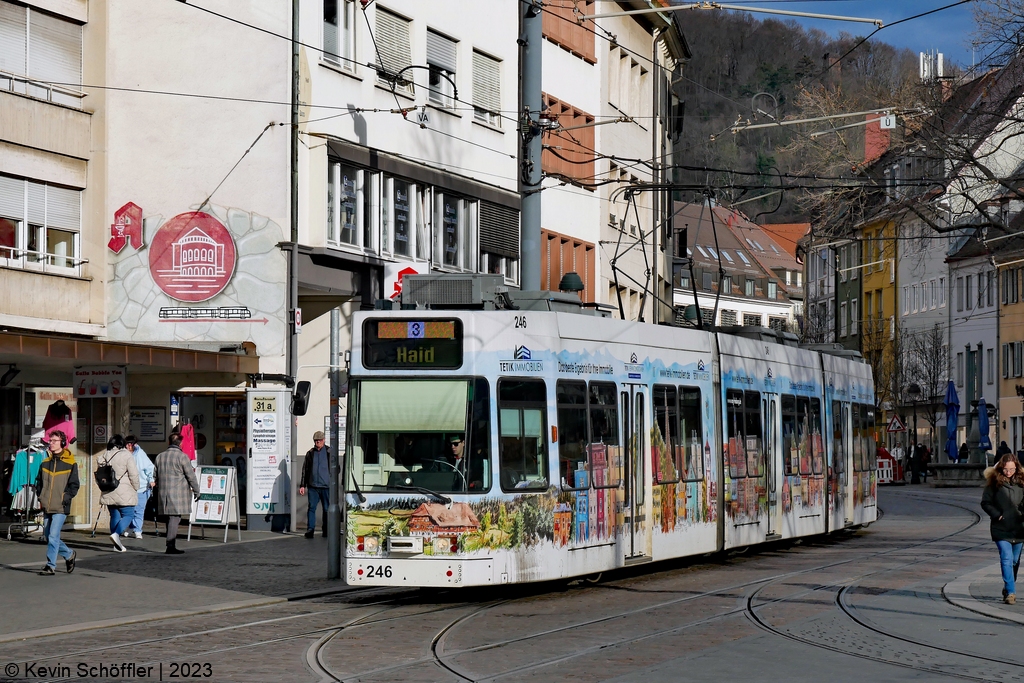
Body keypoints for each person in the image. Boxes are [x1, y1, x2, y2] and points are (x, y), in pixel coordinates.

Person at [34, 431, 80, 575]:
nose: (51, 443)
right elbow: (39, 482)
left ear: (62, 442)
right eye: (50, 440)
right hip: (48, 504)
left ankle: (50, 565)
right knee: (49, 536)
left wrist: (65, 497)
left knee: (53, 536)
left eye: (54, 440)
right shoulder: (45, 463)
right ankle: (69, 554)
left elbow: (74, 485)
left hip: (61, 505)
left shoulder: (70, 463)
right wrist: (41, 496)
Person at [981, 453, 1024, 604]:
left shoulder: (1022, 482)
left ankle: (1008, 586)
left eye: (1011, 469)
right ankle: (1011, 593)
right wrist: (997, 515)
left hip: (1019, 528)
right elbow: (985, 502)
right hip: (1001, 527)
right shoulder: (993, 482)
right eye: (1006, 469)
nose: (1008, 472)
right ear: (1001, 468)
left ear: (1017, 467)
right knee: (1006, 558)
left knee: (1014, 561)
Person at [155, 432, 199, 555]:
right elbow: (191, 476)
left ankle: (170, 544)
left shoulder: (160, 456)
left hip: (163, 493)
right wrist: (197, 490)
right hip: (178, 493)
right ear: (180, 443)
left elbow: (155, 475)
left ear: (169, 442)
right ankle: (170, 544)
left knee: (169, 518)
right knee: (175, 518)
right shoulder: (182, 457)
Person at [99, 434, 139, 552]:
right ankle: (116, 534)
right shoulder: (127, 455)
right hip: (124, 490)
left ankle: (116, 545)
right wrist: (136, 487)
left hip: (109, 490)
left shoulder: (105, 455)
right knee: (129, 514)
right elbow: (133, 474)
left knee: (115, 515)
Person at [299, 431, 331, 539]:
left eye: (320, 440)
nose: (318, 442)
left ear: (324, 440)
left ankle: (326, 529)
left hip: (326, 486)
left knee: (327, 509)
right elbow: (305, 470)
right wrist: (302, 485)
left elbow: (336, 468)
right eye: (316, 441)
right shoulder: (310, 453)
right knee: (311, 508)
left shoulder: (329, 452)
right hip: (313, 486)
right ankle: (310, 529)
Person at [125, 434, 155, 539]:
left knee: (139, 509)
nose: (128, 446)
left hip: (142, 487)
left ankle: (137, 530)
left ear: (135, 444)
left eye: (130, 444)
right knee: (130, 509)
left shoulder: (141, 454)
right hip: (128, 487)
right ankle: (131, 527)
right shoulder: (124, 454)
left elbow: (150, 468)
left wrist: (151, 480)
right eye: (127, 444)